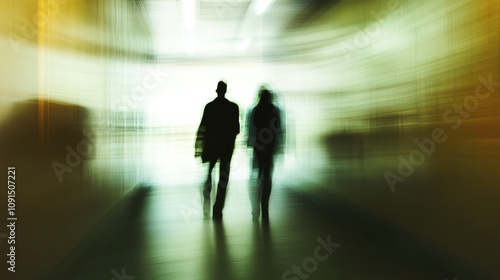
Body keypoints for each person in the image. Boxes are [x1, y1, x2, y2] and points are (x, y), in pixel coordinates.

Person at [195, 81, 240, 219]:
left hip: (212, 146)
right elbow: (236, 129)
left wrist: (198, 147)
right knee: (223, 177)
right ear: (226, 91)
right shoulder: (233, 108)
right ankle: (218, 207)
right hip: (226, 147)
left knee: (209, 172)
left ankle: (207, 194)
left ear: (216, 91)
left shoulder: (210, 107)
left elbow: (203, 127)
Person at [247, 86, 283, 219]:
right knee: (268, 175)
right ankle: (265, 205)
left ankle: (256, 205)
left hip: (258, 146)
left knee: (258, 173)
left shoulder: (255, 110)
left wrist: (251, 144)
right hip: (270, 146)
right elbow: (279, 128)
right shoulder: (275, 110)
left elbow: (251, 128)